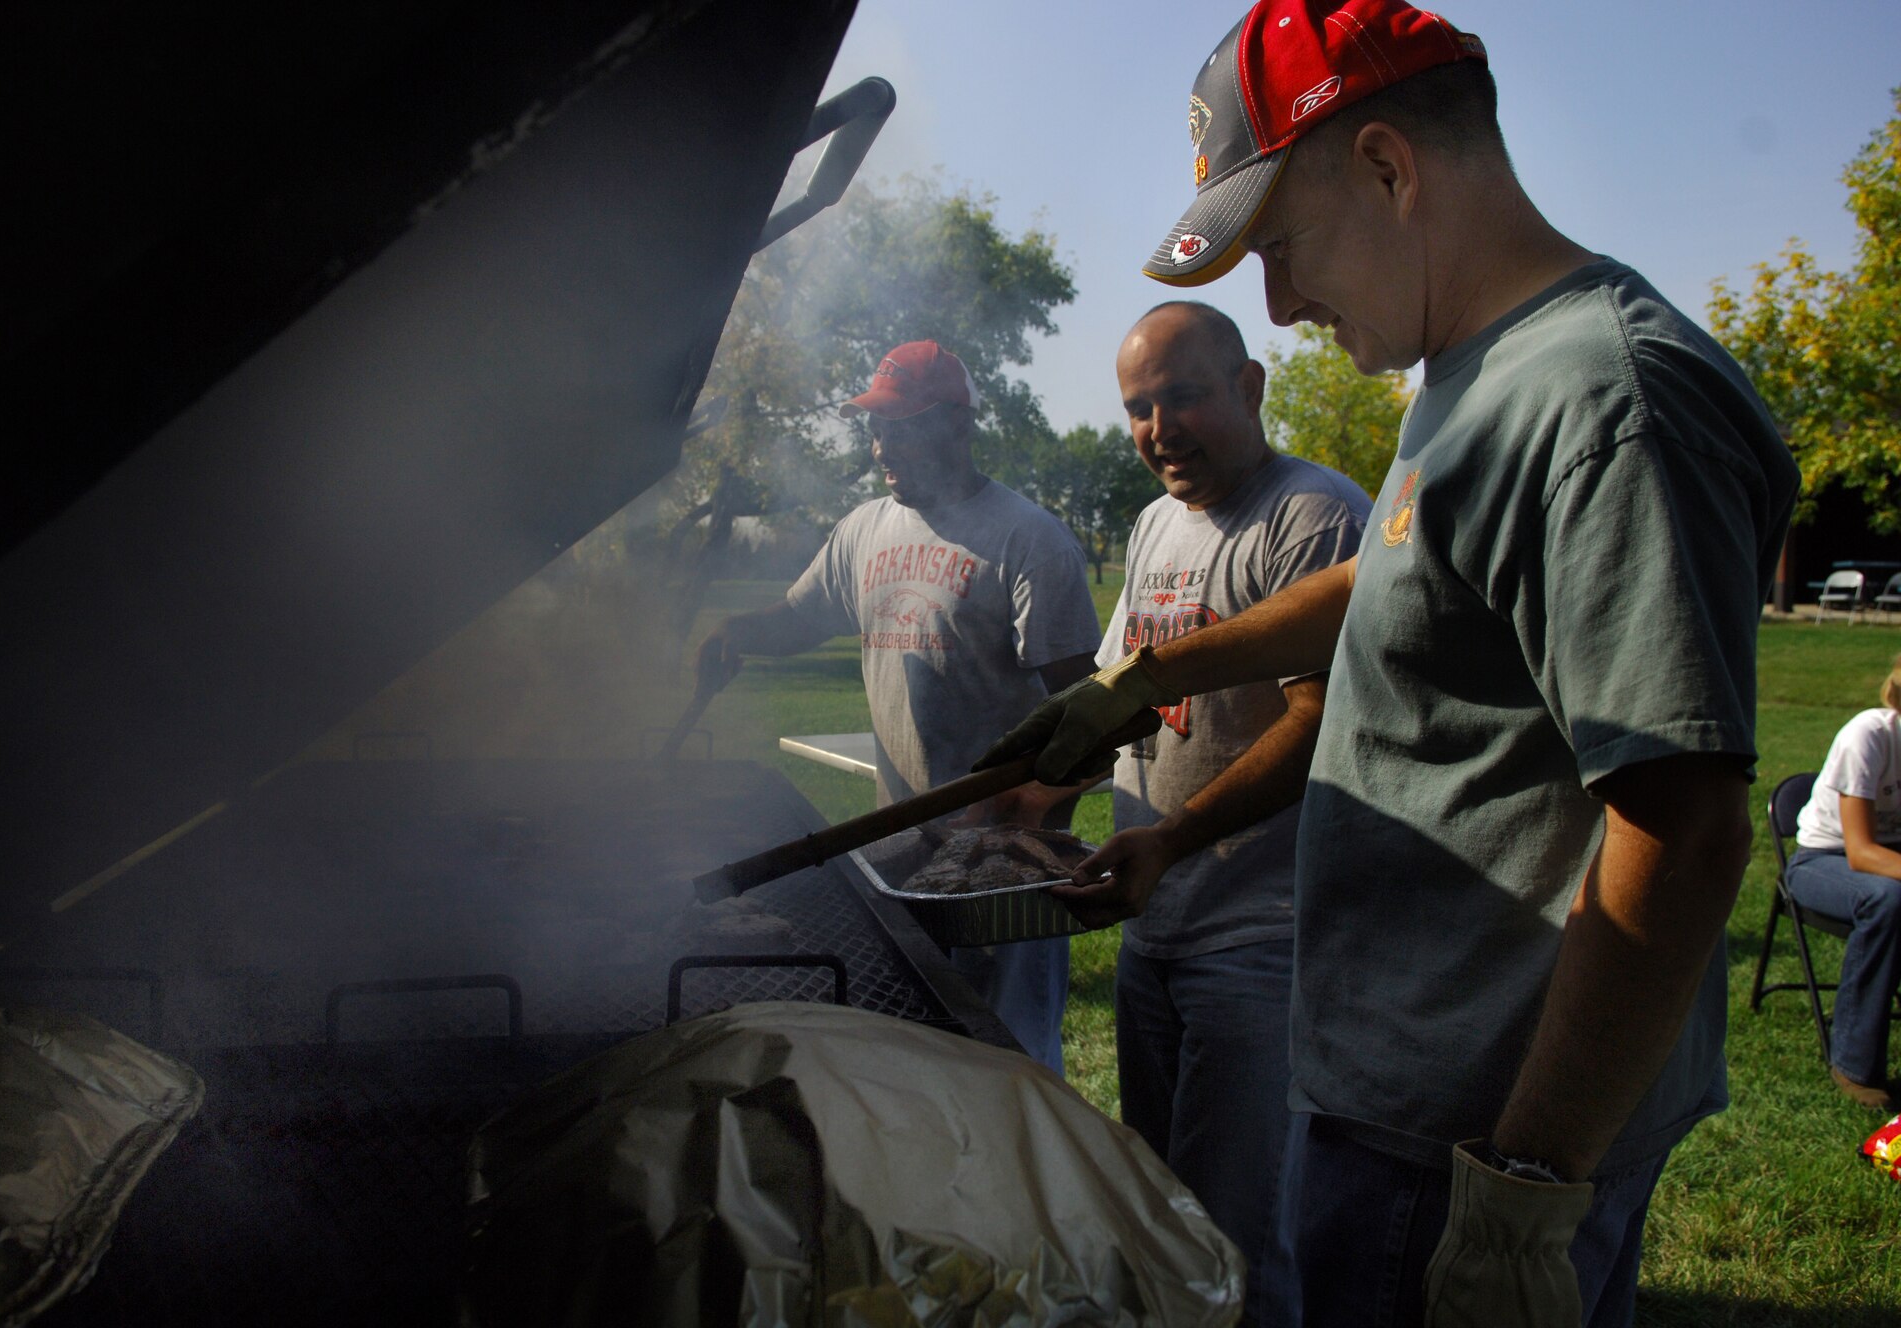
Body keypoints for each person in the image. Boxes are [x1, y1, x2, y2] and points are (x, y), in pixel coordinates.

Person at [980, 2, 1801, 1324]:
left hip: (1478, 1139)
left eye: (1282, 249)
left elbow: (1687, 829)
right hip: (1397, 1090)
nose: (1283, 305)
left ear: (1386, 167)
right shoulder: (1471, 378)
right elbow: (1391, 587)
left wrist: (1525, 1192)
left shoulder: (1603, 403)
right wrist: (1134, 685)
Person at [1042, 300, 1365, 1321]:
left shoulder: (1310, 516)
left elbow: (1318, 725)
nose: (1157, 428)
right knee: (1162, 1200)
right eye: (1138, 407)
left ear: (1248, 387)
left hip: (1262, 938)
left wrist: (1173, 837)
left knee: (1239, 1223)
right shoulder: (1148, 525)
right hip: (1158, 921)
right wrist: (1036, 793)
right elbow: (1118, 694)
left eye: (1180, 395)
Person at [696, 339, 1101, 1074]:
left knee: (1009, 1068)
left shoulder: (1028, 540)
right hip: (900, 852)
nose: (884, 443)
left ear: (958, 425)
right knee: (916, 1056)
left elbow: (1092, 713)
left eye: (904, 425)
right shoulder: (862, 530)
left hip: (1004, 865)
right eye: (877, 425)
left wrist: (1029, 809)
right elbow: (801, 616)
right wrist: (740, 633)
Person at [1787, 653, 1901, 1112]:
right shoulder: (1870, 735)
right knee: (1890, 899)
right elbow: (1861, 851)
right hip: (1824, 859)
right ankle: (1854, 1064)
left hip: (1888, 859)